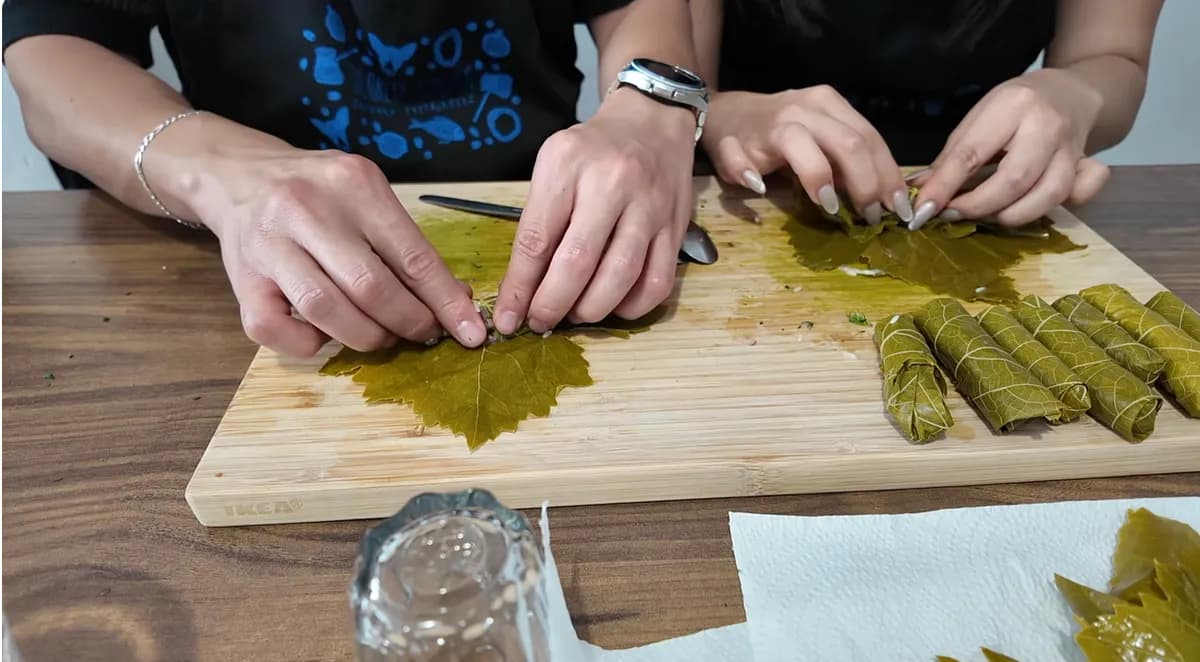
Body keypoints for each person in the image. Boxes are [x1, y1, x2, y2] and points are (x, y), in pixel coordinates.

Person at [3, 0, 706, 357]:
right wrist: (220, 175)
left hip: (540, 212)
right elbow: (53, 50)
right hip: (243, 271)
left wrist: (653, 102)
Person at [690, 0, 1164, 229]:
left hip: (984, 206)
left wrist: (1074, 95)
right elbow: (660, 84)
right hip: (750, 200)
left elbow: (1115, 59)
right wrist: (722, 114)